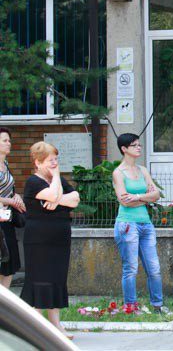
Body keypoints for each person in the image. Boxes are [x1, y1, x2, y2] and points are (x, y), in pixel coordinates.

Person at [21, 141, 79, 340]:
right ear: (38, 163)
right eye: (50, 160)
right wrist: (57, 191)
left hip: (60, 237)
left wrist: (57, 199)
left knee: (56, 279)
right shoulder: (33, 182)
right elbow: (54, 194)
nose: (55, 164)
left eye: (56, 159)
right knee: (40, 280)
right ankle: (35, 329)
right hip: (39, 239)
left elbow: (75, 199)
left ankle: (56, 326)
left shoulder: (58, 180)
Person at [111, 133, 166, 314]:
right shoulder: (118, 173)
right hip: (127, 225)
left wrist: (137, 197)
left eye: (139, 145)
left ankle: (157, 306)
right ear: (124, 149)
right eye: (134, 145)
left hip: (146, 224)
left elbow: (156, 195)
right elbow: (124, 201)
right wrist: (145, 199)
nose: (139, 148)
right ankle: (130, 307)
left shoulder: (143, 170)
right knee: (131, 269)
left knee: (154, 268)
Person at [0, 128, 23, 288]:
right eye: (4, 140)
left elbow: (9, 189)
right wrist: (9, 201)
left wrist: (17, 196)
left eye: (9, 140)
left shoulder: (5, 164)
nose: (9, 143)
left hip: (6, 218)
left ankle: (4, 300)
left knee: (10, 264)